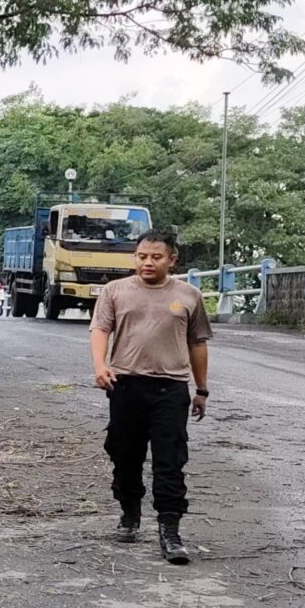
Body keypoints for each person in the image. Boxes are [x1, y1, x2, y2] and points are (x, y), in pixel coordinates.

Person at [88, 228, 212, 564]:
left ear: (172, 259)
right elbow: (100, 329)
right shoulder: (115, 291)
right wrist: (100, 366)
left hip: (171, 388)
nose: (148, 262)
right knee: (125, 456)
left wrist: (201, 389)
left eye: (156, 257)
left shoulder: (189, 295)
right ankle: (129, 512)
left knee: (170, 461)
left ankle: (170, 529)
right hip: (125, 385)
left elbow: (197, 343)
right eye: (142, 256)